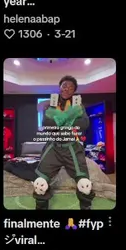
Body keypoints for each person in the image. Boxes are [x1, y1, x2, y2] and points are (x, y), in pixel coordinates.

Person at [32, 75, 94, 210]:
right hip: (53, 147)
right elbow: (47, 124)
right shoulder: (52, 104)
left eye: (71, 88)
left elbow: (84, 124)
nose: (67, 89)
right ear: (60, 87)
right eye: (64, 85)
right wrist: (70, 117)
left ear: (74, 91)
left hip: (71, 147)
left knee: (84, 184)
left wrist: (59, 120)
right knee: (40, 183)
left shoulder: (78, 105)